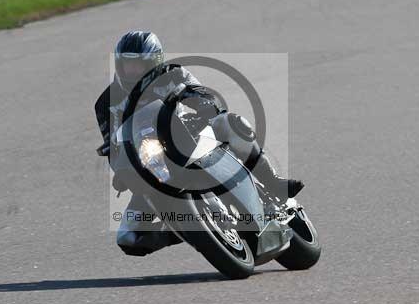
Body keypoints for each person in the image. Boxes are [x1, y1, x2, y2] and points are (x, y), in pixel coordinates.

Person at [95, 31, 303, 256]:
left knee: (230, 123)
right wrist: (122, 170)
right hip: (151, 163)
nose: (132, 70)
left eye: (138, 65)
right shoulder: (106, 102)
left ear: (154, 61)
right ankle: (186, 230)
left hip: (188, 135)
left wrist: (204, 104)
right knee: (128, 237)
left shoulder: (172, 74)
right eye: (127, 64)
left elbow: (198, 91)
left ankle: (272, 183)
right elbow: (112, 145)